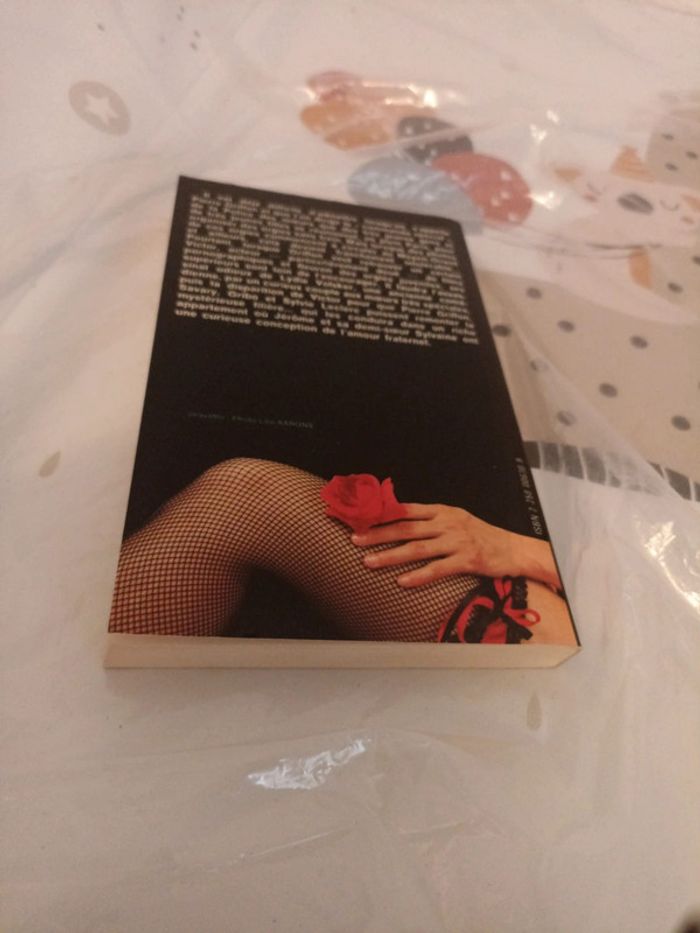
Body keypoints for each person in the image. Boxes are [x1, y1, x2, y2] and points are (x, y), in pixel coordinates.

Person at [109, 458, 575, 645]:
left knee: (245, 496)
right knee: (243, 496)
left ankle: (74, 705)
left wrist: (522, 549)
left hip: (584, 645)